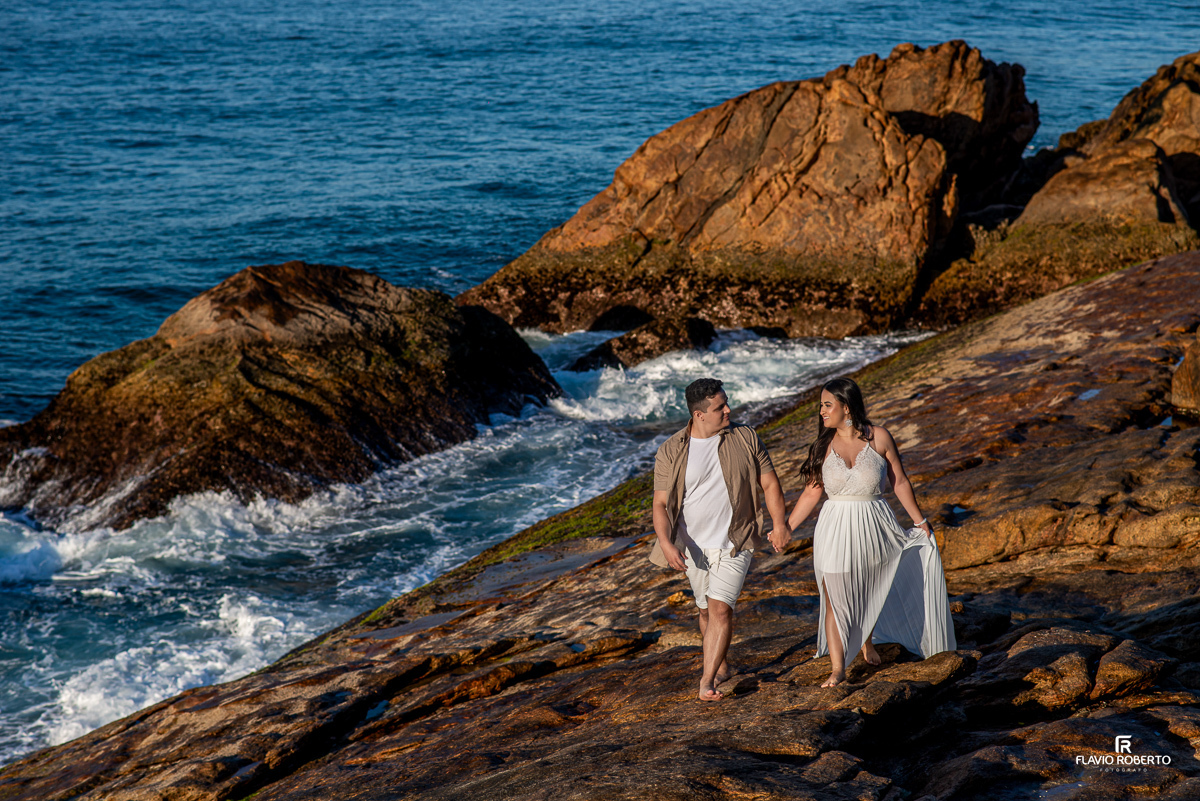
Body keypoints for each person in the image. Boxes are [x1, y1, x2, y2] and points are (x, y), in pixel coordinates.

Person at [781, 377, 955, 687]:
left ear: (846, 407)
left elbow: (899, 482)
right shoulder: (822, 445)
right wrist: (786, 527)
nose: (821, 411)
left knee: (868, 585)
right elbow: (811, 492)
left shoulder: (880, 437)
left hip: (874, 524)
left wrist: (920, 520)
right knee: (834, 597)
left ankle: (867, 640)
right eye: (821, 405)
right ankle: (838, 668)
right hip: (834, 527)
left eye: (827, 405)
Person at [651, 377, 789, 701]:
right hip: (692, 546)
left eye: (726, 403)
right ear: (699, 415)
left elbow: (770, 484)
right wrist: (667, 544)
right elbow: (660, 504)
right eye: (720, 407)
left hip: (736, 541)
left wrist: (779, 524)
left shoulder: (745, 437)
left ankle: (707, 680)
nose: (728, 410)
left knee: (721, 610)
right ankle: (721, 662)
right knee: (704, 610)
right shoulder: (671, 449)